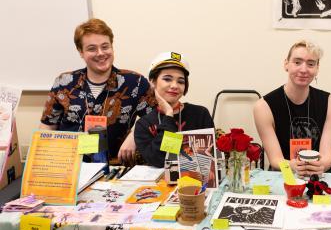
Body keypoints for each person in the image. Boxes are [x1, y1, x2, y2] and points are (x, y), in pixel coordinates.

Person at [40, 18, 154, 163]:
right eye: (92, 48)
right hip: (70, 167)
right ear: (81, 52)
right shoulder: (64, 82)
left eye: (105, 47)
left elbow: (155, 118)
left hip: (115, 167)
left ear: (112, 47)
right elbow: (47, 127)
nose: (100, 53)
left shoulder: (135, 83)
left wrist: (134, 136)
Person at [253, 40, 331, 177]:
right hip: (283, 175)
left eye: (311, 64)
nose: (304, 69)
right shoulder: (263, 106)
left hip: (317, 176)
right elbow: (275, 160)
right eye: (297, 62)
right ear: (286, 64)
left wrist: (319, 166)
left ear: (317, 68)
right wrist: (292, 166)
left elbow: (327, 157)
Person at [134, 52, 214, 168]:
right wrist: (169, 115)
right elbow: (159, 161)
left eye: (180, 81)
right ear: (153, 82)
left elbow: (208, 158)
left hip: (196, 182)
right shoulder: (144, 124)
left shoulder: (200, 114)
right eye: (167, 79)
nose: (175, 85)